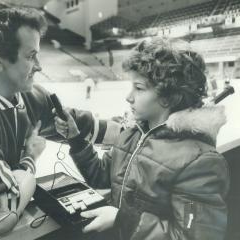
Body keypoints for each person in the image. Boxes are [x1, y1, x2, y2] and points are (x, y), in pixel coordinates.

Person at [0, 1, 120, 235]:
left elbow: (79, 123)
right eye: (31, 56)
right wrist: (30, 157)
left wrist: (134, 132)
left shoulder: (27, 94)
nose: (39, 66)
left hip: (17, 223)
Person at [54, 38, 229, 240]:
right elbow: (102, 175)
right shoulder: (132, 134)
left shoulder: (200, 163)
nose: (129, 97)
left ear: (169, 97)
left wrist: (124, 220)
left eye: (138, 88)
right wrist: (75, 139)